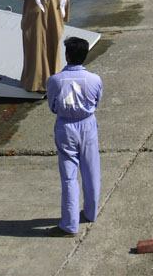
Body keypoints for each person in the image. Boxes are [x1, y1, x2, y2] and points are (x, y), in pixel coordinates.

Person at [45, 36, 103, 237]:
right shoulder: (94, 79)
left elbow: (52, 106)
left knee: (69, 176)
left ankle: (69, 224)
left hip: (65, 126)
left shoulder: (55, 80)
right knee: (91, 170)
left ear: (67, 56)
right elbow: (96, 102)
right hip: (88, 124)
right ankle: (91, 212)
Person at [12, 0, 70, 93]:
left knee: (35, 49)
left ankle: (35, 84)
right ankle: (54, 81)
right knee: (53, 47)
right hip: (54, 18)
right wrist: (63, 17)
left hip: (34, 18)